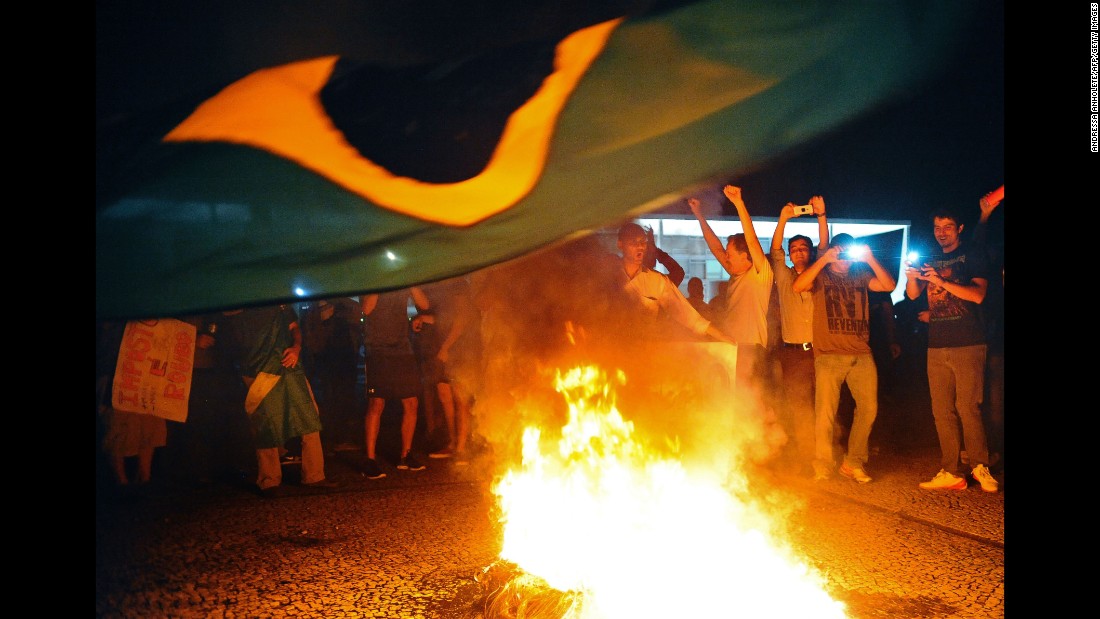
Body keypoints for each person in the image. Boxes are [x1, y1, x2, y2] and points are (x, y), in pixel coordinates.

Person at [907, 203, 998, 493]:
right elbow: (912, 295)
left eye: (947, 227)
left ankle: (980, 466)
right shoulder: (930, 258)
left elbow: (979, 295)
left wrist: (942, 281)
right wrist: (912, 276)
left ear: (959, 229)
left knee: (968, 407)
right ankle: (951, 469)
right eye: (937, 227)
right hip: (937, 344)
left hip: (968, 341)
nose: (941, 233)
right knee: (941, 409)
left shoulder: (971, 254)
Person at [793, 232, 897, 483]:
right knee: (825, 414)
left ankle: (853, 462)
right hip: (828, 356)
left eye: (849, 252)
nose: (845, 258)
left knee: (869, 409)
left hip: (861, 353)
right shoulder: (822, 274)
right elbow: (799, 286)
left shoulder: (860, 274)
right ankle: (822, 463)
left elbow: (889, 285)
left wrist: (870, 258)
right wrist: (824, 259)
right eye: (841, 252)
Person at [214, 305, 342, 497]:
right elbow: (227, 317)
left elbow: (294, 328)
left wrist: (296, 348)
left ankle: (314, 475)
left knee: (309, 417)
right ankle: (269, 480)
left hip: (289, 365)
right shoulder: (240, 298)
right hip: (257, 369)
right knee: (265, 423)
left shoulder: (281, 301)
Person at [688, 185, 774, 389]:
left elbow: (752, 241)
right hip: (730, 345)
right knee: (734, 401)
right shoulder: (735, 274)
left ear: (746, 257)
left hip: (751, 347)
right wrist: (699, 215)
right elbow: (715, 247)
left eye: (730, 254)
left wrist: (739, 203)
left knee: (754, 402)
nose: (726, 257)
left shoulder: (760, 274)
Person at [768, 196, 829, 476]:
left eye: (804, 248)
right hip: (793, 352)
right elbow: (775, 250)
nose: (799, 253)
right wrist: (783, 218)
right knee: (800, 407)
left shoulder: (821, 274)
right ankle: (806, 459)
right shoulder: (783, 275)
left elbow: (825, 247)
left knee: (826, 407)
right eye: (795, 249)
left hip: (821, 351)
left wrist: (821, 217)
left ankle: (826, 457)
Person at [614, 221, 735, 345]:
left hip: (644, 349)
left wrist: (721, 335)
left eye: (643, 242)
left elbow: (687, 314)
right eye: (633, 242)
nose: (640, 246)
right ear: (620, 244)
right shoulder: (607, 276)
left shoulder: (657, 281)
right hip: (609, 349)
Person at [361, 287, 431, 477]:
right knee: (377, 403)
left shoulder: (403, 279)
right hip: (377, 348)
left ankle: (405, 455)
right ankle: (370, 460)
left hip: (402, 348)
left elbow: (424, 304)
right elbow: (366, 309)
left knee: (411, 402)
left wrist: (410, 283)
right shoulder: (372, 279)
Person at [415, 276, 482, 465]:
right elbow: (444, 316)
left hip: (462, 351)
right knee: (445, 396)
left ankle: (462, 449)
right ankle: (452, 443)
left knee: (460, 399)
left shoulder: (459, 284)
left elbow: (462, 319)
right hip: (444, 351)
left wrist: (446, 346)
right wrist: (423, 318)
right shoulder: (442, 285)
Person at [97, 319, 168, 493]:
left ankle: (145, 478)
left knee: (149, 426)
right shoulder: (113, 319)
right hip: (116, 374)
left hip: (145, 376)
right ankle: (121, 483)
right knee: (119, 428)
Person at [300, 297, 363, 452]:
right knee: (336, 399)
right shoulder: (325, 309)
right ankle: (337, 439)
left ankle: (335, 438)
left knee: (337, 398)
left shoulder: (325, 308)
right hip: (333, 360)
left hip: (337, 359)